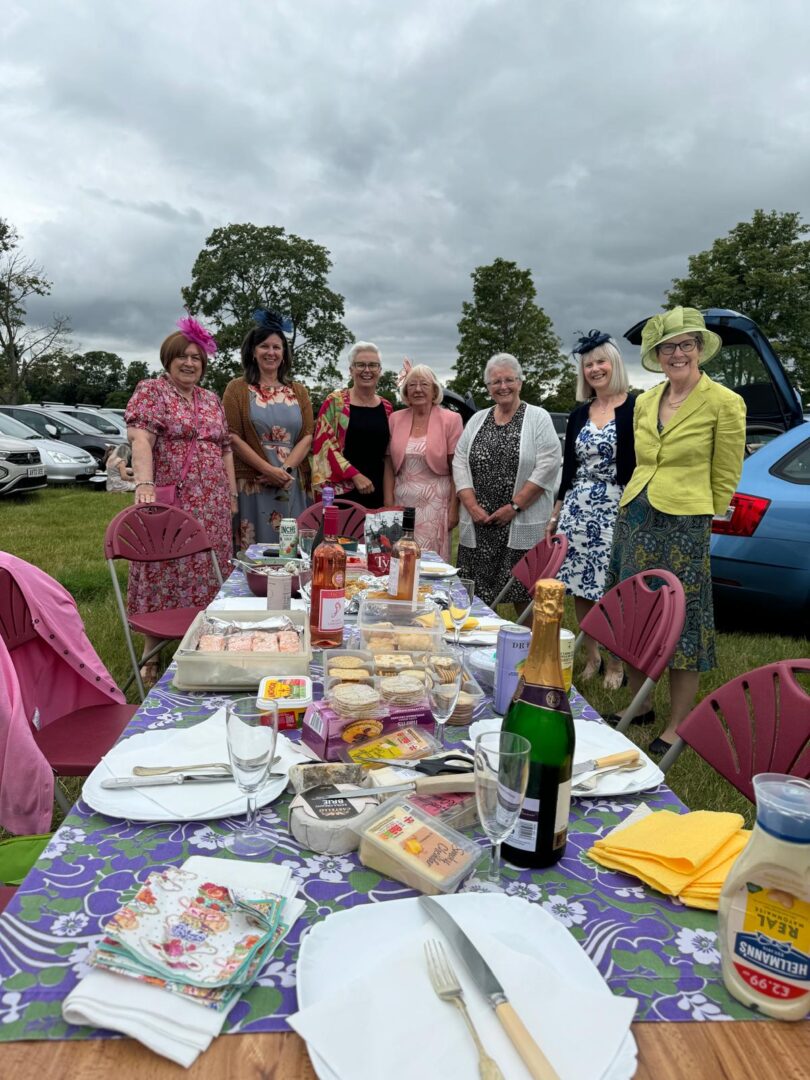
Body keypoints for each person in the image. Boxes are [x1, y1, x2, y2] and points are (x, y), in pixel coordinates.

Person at [605, 306, 746, 755]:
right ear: (657, 354)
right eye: (669, 346)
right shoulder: (645, 400)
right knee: (636, 613)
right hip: (637, 515)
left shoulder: (725, 402)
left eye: (687, 344)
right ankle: (638, 706)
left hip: (684, 525)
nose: (678, 353)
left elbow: (725, 473)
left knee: (683, 621)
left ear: (700, 349)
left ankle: (677, 726)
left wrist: (702, 514)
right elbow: (638, 460)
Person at [126, 317, 237, 688]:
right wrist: (144, 483)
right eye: (183, 357)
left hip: (213, 503)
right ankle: (152, 650)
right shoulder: (152, 392)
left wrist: (231, 492)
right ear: (167, 359)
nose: (190, 363)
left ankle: (205, 642)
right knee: (163, 569)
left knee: (209, 567)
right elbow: (140, 440)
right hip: (172, 498)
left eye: (197, 357)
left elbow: (225, 449)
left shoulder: (210, 398)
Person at [547, 331, 636, 689]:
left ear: (614, 364)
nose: (595, 368)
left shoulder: (635, 407)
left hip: (617, 506)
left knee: (611, 588)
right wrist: (556, 511)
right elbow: (569, 466)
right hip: (578, 508)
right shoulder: (579, 413)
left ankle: (617, 665)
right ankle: (592, 657)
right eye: (588, 364)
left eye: (601, 361)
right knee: (581, 587)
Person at [453, 353, 561, 607]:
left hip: (519, 521)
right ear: (488, 388)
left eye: (509, 380)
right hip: (480, 523)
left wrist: (514, 507)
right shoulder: (478, 419)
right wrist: (471, 506)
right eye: (495, 382)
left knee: (525, 595)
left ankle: (532, 645)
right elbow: (459, 461)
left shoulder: (538, 418)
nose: (503, 387)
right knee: (473, 596)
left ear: (520, 383)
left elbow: (548, 465)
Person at [222, 310, 314, 548]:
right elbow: (231, 436)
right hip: (254, 482)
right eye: (264, 346)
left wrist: (285, 470)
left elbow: (307, 436)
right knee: (254, 551)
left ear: (284, 354)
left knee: (290, 550)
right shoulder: (237, 389)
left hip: (291, 481)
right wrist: (268, 470)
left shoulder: (299, 390)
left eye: (277, 347)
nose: (271, 352)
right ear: (253, 351)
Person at [383, 362, 462, 561]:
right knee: (400, 559)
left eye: (424, 384)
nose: (418, 389)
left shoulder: (451, 420)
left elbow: (457, 470)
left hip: (435, 506)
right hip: (402, 503)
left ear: (435, 390)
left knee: (429, 563)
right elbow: (389, 466)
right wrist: (388, 503)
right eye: (412, 385)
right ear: (406, 391)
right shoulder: (395, 419)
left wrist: (454, 509)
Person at [311, 341, 393, 509]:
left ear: (380, 371)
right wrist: (355, 475)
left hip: (377, 491)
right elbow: (324, 445)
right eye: (360, 365)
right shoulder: (335, 402)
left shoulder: (387, 407)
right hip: (341, 492)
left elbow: (389, 454)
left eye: (373, 365)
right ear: (351, 370)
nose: (367, 370)